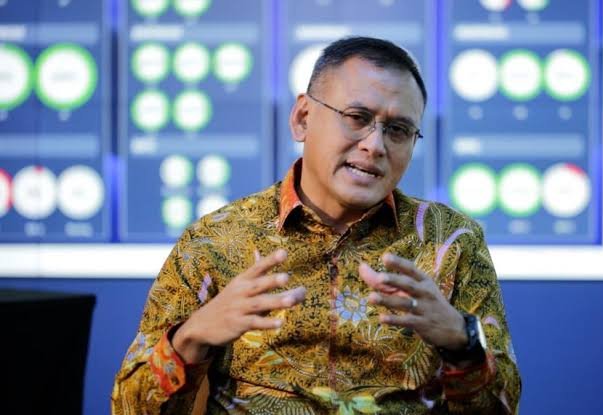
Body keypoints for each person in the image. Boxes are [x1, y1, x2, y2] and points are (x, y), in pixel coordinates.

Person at [112, 36, 521, 414]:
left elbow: (502, 407)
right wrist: (191, 338)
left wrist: (462, 341)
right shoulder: (215, 241)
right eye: (357, 117)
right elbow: (128, 407)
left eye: (398, 130)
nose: (375, 145)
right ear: (303, 118)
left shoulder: (451, 243)